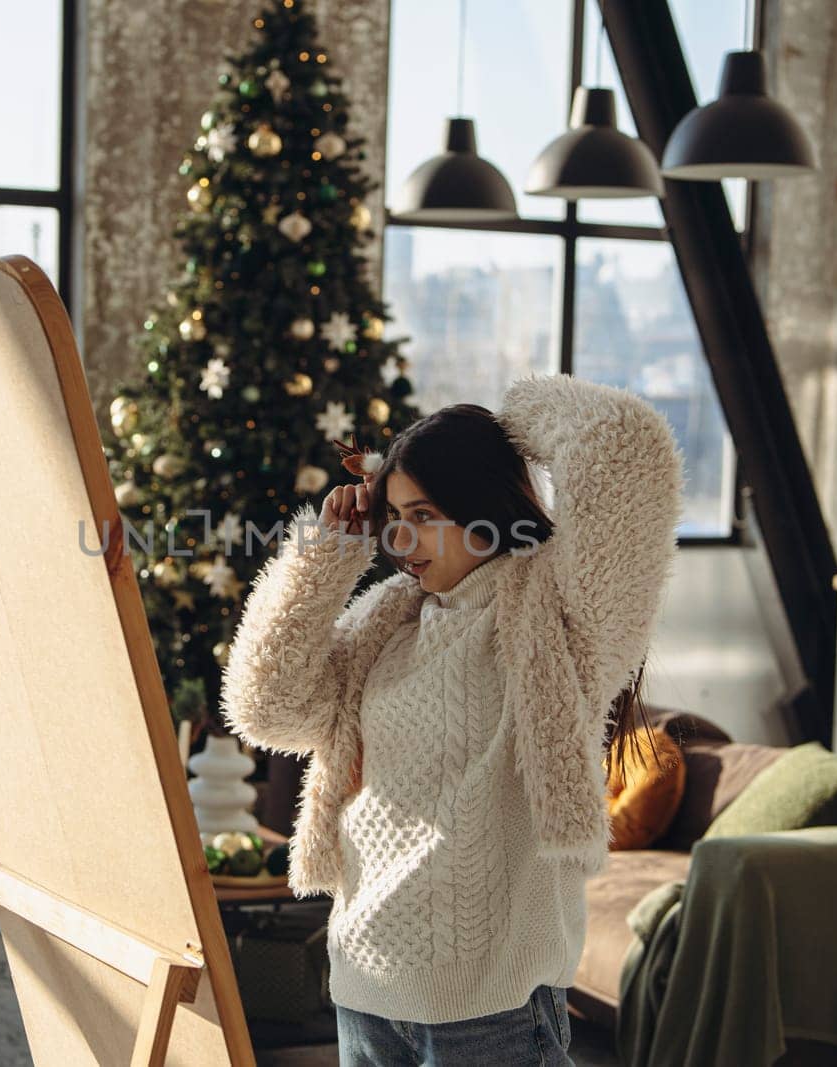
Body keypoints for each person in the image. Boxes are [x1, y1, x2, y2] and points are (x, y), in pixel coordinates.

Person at [220, 372, 686, 1066]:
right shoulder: (387, 622)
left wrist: (506, 421)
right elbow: (265, 705)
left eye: (425, 513)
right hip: (366, 988)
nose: (401, 538)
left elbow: (625, 448)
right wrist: (326, 555)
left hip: (489, 1010)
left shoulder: (560, 615)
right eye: (393, 517)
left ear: (483, 502)